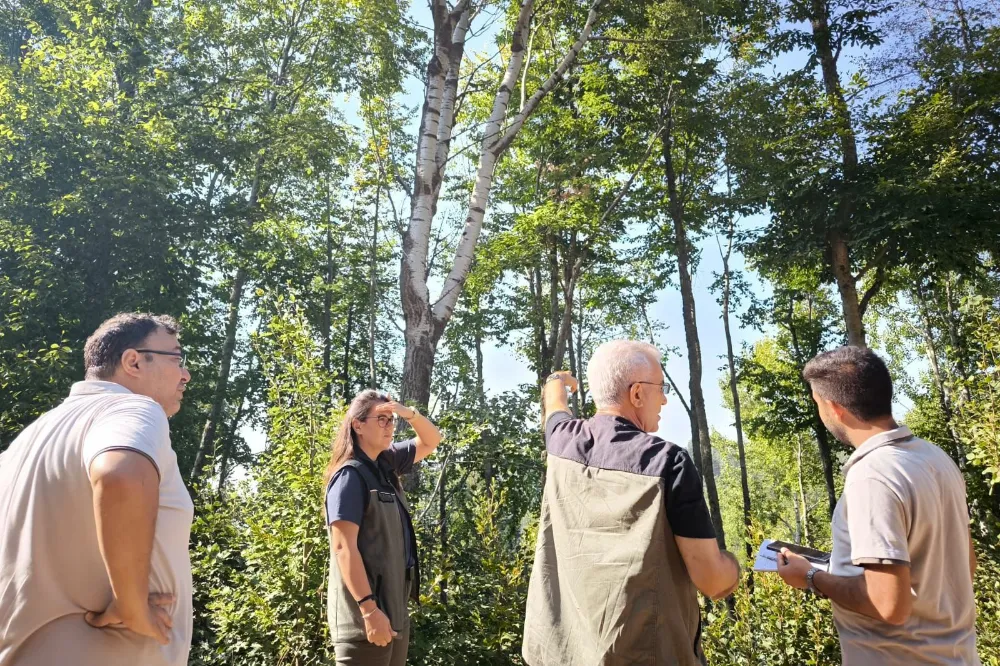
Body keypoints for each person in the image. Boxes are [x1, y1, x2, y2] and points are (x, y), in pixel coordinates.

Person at [522, 340, 741, 666]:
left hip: (558, 655)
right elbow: (711, 580)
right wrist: (736, 567)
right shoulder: (668, 463)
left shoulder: (561, 440)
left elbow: (554, 406)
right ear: (636, 394)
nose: (665, 399)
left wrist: (556, 379)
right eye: (661, 388)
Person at [0, 313, 193, 666]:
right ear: (133, 361)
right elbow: (120, 474)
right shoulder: (132, 408)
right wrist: (133, 607)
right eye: (177, 358)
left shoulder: (26, 441)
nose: (185, 374)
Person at [776, 346, 979, 665]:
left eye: (818, 405)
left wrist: (811, 577)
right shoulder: (937, 459)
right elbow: (965, 564)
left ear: (834, 407)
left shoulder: (871, 476)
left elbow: (888, 603)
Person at [324, 390, 442, 665]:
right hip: (364, 623)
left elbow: (432, 440)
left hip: (392, 615)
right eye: (381, 419)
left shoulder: (385, 464)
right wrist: (368, 610)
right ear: (358, 425)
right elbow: (343, 548)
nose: (390, 426)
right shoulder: (349, 476)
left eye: (391, 420)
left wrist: (407, 413)